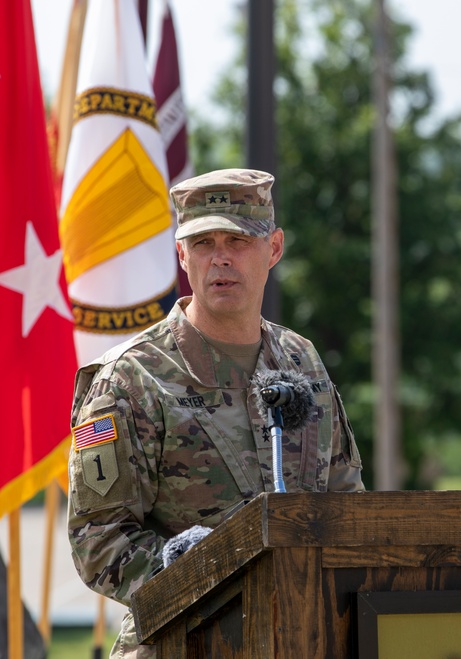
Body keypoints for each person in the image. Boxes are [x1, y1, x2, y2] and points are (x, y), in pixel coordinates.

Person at [67, 168, 365, 657]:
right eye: (203, 242)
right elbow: (97, 539)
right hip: (183, 642)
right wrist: (193, 575)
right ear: (182, 255)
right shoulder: (130, 379)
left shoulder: (302, 361)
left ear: (274, 248)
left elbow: (347, 505)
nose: (220, 257)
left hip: (301, 638)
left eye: (239, 239)